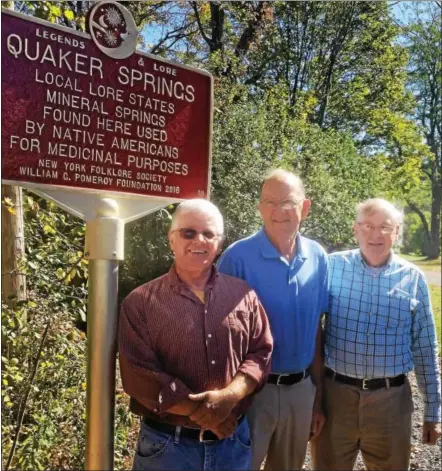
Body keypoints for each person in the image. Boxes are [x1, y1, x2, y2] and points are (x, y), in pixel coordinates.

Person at [118, 199, 273, 471]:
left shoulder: (243, 296)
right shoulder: (140, 302)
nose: (198, 240)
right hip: (167, 449)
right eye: (188, 232)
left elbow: (261, 352)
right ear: (171, 239)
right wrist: (206, 415)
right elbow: (139, 374)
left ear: (220, 243)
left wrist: (230, 396)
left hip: (232, 444)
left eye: (209, 233)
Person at [311, 198, 442, 470]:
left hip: (391, 403)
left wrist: (433, 412)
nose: (375, 234)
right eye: (367, 225)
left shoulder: (413, 278)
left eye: (385, 227)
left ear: (397, 232)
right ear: (355, 229)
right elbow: (312, 330)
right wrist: (313, 399)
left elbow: (425, 348)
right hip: (336, 398)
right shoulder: (330, 267)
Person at [218, 169, 328, 470]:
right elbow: (217, 336)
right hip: (252, 394)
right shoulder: (236, 258)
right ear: (259, 208)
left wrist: (317, 398)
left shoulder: (318, 257)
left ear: (305, 208)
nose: (277, 211)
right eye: (268, 202)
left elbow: (316, 330)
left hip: (300, 392)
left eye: (287, 202)